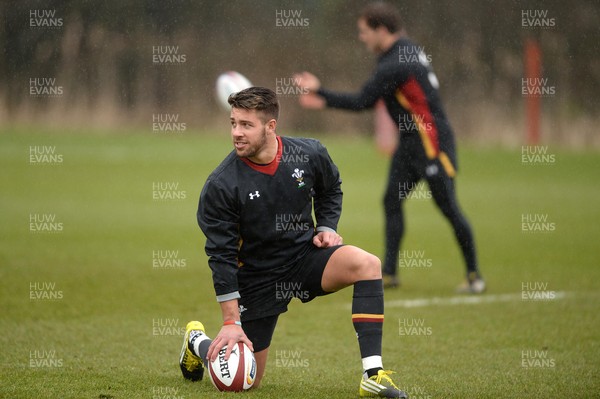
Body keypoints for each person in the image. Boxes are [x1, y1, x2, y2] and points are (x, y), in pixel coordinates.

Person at [179, 87, 408, 398]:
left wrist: (326, 225)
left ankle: (373, 374)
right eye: (233, 123)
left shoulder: (309, 154)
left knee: (367, 264)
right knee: (242, 381)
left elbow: (331, 188)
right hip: (257, 279)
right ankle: (196, 341)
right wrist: (231, 321)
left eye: (246, 125)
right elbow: (221, 255)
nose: (236, 133)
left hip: (304, 257)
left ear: (270, 126)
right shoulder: (221, 185)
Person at [293, 1, 485, 293]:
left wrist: (321, 93)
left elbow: (363, 101)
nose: (361, 38)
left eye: (364, 32)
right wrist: (323, 98)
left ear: (381, 30)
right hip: (409, 144)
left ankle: (475, 276)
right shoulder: (406, 50)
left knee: (448, 207)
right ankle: (391, 272)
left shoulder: (395, 63)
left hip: (432, 144)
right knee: (391, 202)